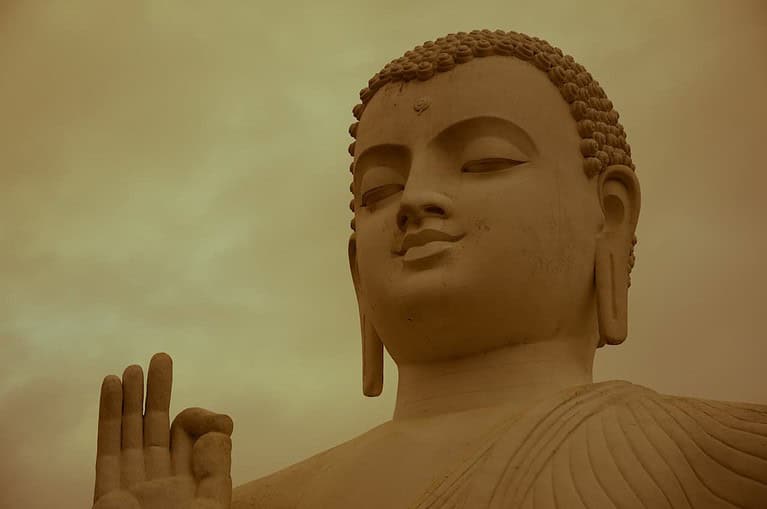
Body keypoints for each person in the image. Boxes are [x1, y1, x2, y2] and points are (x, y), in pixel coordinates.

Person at [92, 29, 767, 509]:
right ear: (356, 268)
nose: (414, 199)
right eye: (378, 190)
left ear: (610, 214)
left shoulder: (726, 456)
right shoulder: (258, 501)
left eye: (485, 161)